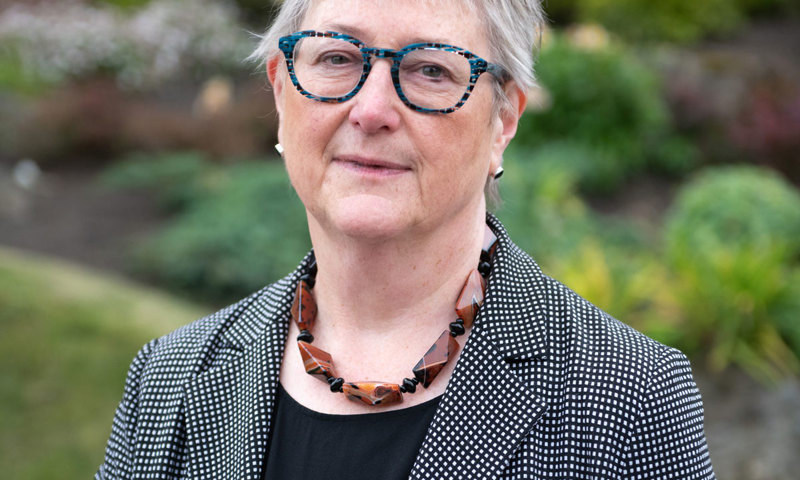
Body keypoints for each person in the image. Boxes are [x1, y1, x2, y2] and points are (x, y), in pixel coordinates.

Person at [96, 1, 715, 479]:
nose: (371, 110)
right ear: (282, 91)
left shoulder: (624, 396)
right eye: (337, 58)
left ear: (503, 121)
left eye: (429, 69)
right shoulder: (168, 381)